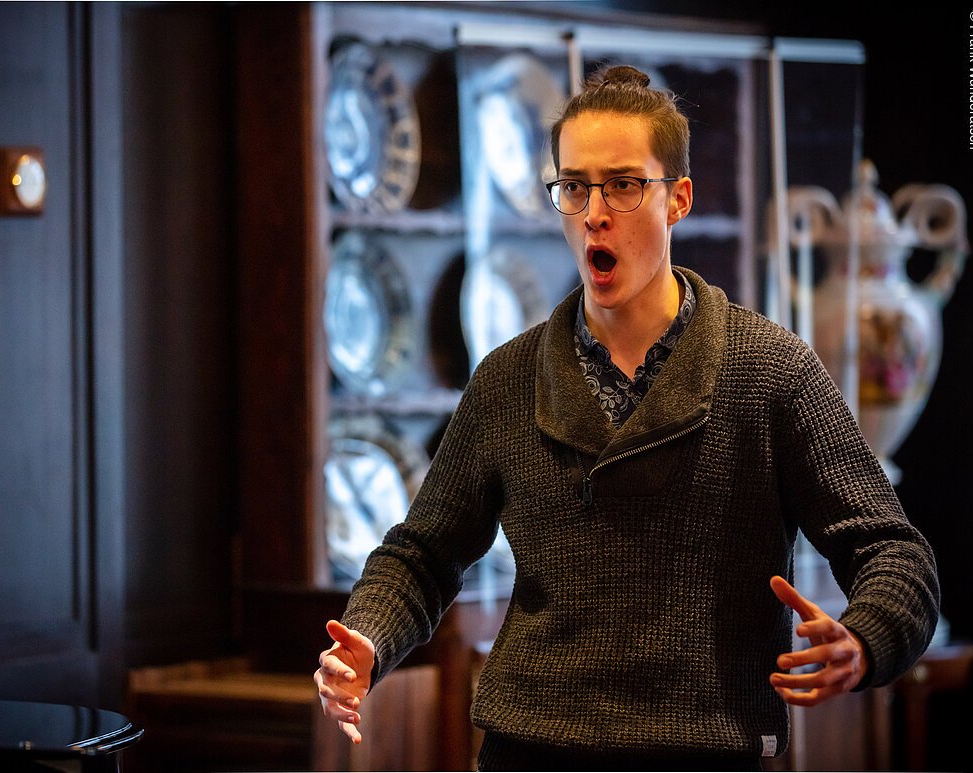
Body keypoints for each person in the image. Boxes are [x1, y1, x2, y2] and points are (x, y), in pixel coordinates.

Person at [313, 64, 940, 771]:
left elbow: (897, 555)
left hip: (707, 756)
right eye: (574, 187)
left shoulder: (770, 370)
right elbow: (420, 556)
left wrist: (864, 637)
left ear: (679, 199)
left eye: (623, 184)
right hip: (529, 752)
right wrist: (366, 636)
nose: (594, 212)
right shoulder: (508, 379)